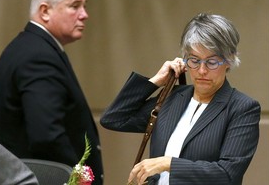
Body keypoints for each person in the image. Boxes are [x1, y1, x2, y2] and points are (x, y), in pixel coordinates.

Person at [100, 13, 260, 185]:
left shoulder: (242, 108)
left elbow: (227, 174)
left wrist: (167, 163)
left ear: (229, 60)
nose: (202, 70)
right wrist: (155, 81)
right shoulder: (173, 97)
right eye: (194, 60)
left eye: (212, 62)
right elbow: (114, 118)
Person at [0, 0, 103, 184]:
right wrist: (80, 179)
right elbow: (47, 135)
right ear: (45, 11)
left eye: (84, 5)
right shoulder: (38, 56)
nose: (84, 14)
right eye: (75, 6)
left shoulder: (31, 47)